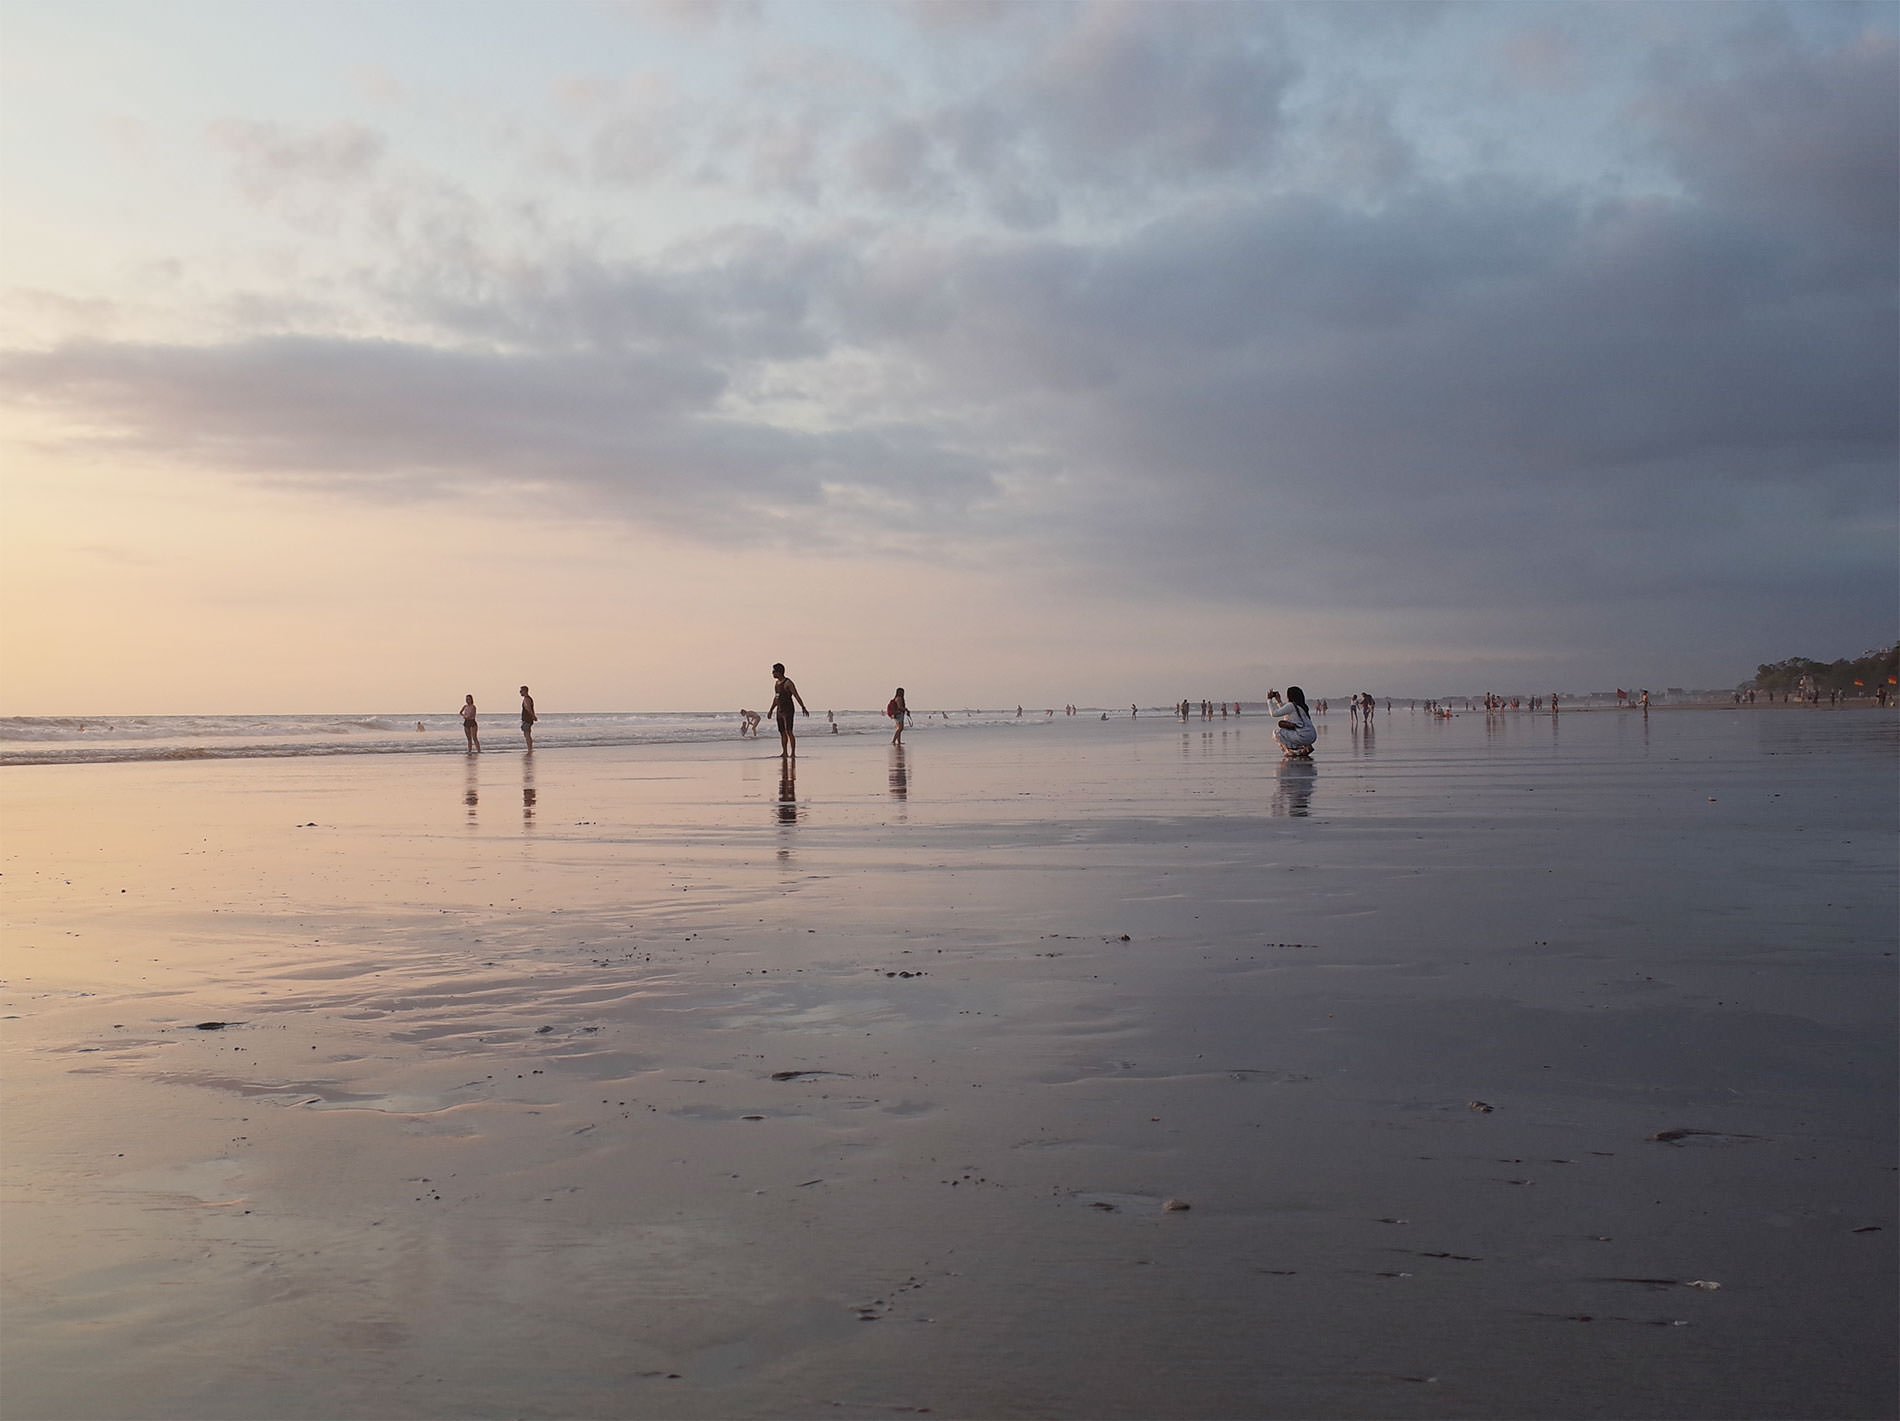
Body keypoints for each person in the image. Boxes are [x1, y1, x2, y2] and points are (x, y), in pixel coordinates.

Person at [766, 662, 808, 757]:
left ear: (779, 672)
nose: (772, 673)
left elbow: (796, 695)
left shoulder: (788, 683)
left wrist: (803, 707)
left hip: (788, 710)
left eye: (774, 671)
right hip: (779, 710)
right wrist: (771, 710)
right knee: (782, 732)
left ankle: (793, 753)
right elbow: (776, 697)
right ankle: (784, 752)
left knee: (789, 731)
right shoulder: (776, 684)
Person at [1268, 686, 1317, 758]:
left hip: (1303, 736)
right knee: (1290, 730)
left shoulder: (1291, 705)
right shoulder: (1302, 707)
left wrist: (1269, 700)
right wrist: (1278, 701)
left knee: (1277, 733)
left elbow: (1274, 713)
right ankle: (1305, 747)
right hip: (1312, 736)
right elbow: (1286, 714)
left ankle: (1290, 751)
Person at [519, 686, 536, 751]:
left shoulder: (526, 699)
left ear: (525, 691)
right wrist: (533, 716)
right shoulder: (528, 699)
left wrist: (533, 716)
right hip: (528, 718)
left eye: (521, 691)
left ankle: (530, 748)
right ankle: (530, 748)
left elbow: (528, 708)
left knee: (527, 734)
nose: (520, 693)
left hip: (527, 719)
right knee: (527, 734)